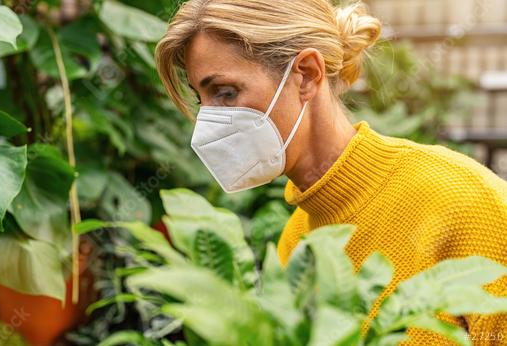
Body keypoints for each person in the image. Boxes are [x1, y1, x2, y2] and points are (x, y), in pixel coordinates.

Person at [154, 0, 507, 344]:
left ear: (306, 74)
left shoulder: (466, 202)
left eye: (226, 93)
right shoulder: (296, 246)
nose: (208, 122)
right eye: (203, 100)